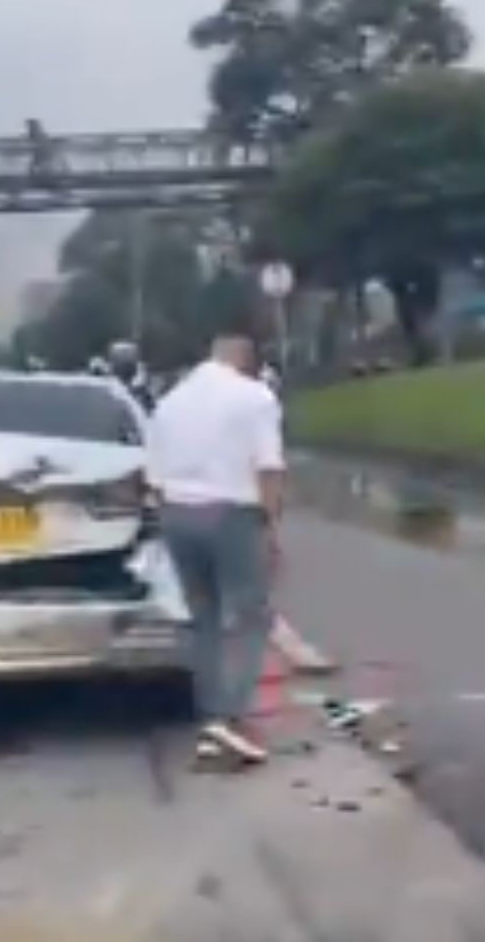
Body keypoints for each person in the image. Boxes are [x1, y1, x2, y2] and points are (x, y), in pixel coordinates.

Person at [146, 326, 285, 766]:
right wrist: (270, 528)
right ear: (245, 356)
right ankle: (233, 718)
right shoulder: (255, 397)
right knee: (250, 616)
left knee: (201, 617)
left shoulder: (169, 402)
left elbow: (154, 479)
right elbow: (269, 467)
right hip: (232, 513)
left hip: (178, 514)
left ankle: (210, 714)